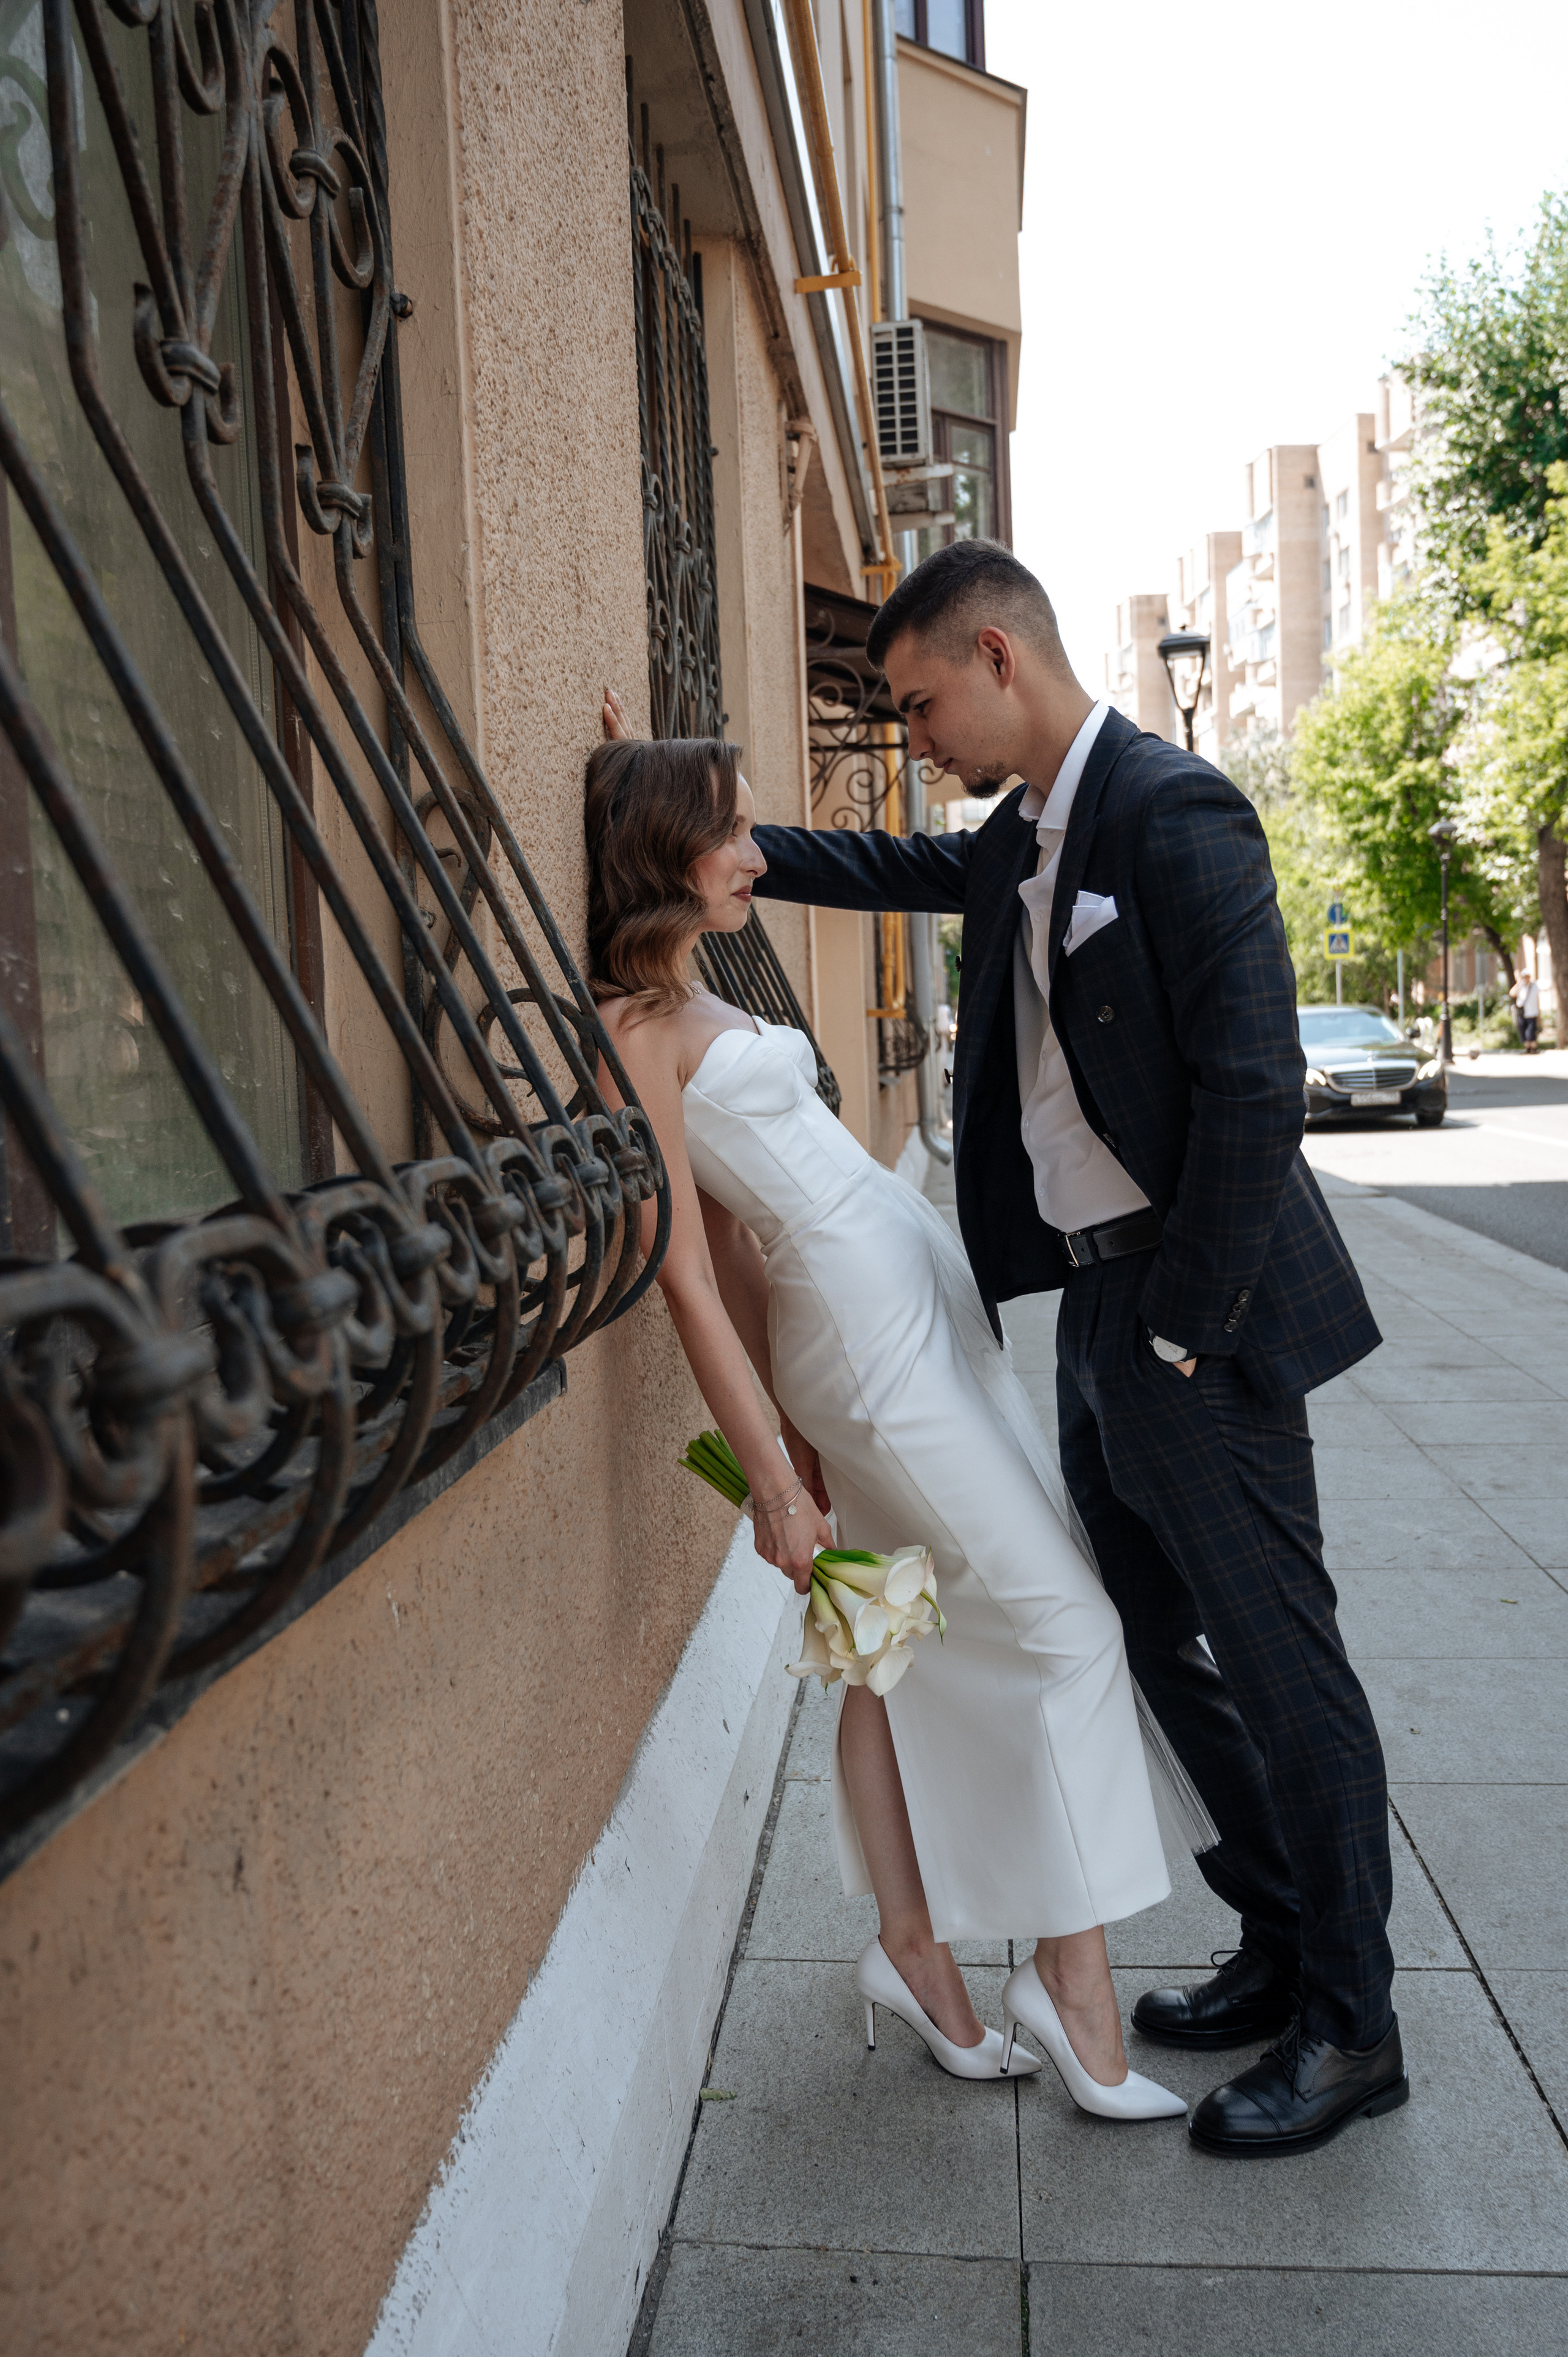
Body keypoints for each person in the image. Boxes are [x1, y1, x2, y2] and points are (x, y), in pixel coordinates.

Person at [748, 540, 1407, 2160]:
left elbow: (1261, 1088)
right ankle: (1274, 1937)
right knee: (1154, 1646)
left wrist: (1184, 1324)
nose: (915, 741)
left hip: (1199, 1311)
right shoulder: (1022, 839)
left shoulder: (1174, 812)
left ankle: (1352, 2022)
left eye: (918, 705)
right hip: (1101, 1311)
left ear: (996, 655)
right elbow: (876, 865)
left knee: (1280, 1661)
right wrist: (712, 843)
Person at [589, 695, 1197, 2122]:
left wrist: (793, 1450)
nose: (756, 848)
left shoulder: (697, 982)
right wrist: (777, 1483)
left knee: (891, 1635)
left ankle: (912, 1952)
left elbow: (738, 1251)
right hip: (865, 1348)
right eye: (730, 827)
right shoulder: (634, 1025)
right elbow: (688, 1258)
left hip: (899, 1314)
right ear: (669, 851)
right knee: (1065, 1621)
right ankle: (1070, 1978)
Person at [1512, 970, 1541, 1053]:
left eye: (1527, 976)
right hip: (1522, 1013)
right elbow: (1512, 993)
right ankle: (1527, 1048)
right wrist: (1518, 983)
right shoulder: (1520, 987)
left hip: (1532, 1013)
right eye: (1524, 976)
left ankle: (1533, 1048)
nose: (1526, 978)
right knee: (1523, 1031)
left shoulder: (1534, 986)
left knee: (1531, 1032)